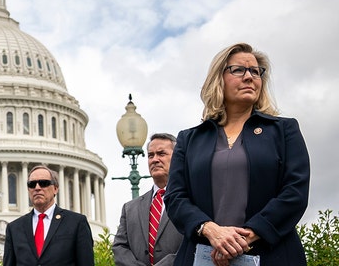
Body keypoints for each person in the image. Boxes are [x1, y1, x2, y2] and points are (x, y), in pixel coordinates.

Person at [165, 43, 310, 265]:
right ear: (218, 78)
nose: (249, 77)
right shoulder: (189, 139)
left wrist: (242, 239)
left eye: (255, 71)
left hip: (273, 255)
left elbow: (295, 193)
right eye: (239, 70)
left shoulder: (284, 130)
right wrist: (211, 231)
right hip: (203, 256)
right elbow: (175, 198)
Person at [113, 133, 182, 266]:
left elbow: (193, 243)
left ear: (177, 158)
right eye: (151, 155)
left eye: (161, 154)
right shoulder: (130, 208)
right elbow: (120, 248)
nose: (155, 159)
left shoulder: (191, 199)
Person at [3, 165, 94, 266]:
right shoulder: (14, 228)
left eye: (43, 183)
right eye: (32, 184)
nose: (37, 188)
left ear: (55, 189)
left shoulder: (76, 223)